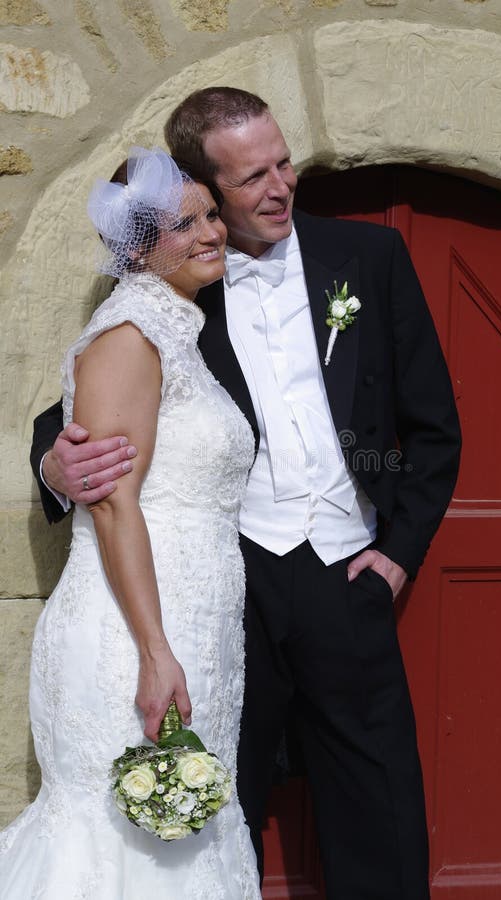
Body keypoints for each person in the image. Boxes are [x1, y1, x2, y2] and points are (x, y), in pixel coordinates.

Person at [30, 88, 462, 900]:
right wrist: (56, 470)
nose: (279, 186)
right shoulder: (182, 277)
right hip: (233, 586)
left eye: (284, 162)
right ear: (205, 192)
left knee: (382, 811)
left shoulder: (370, 260)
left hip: (345, 573)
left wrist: (400, 553)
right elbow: (74, 413)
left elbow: (434, 426)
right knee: (217, 809)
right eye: (252, 176)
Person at [1, 147, 261, 899]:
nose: (212, 231)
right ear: (140, 248)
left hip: (197, 625)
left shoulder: (178, 325)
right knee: (116, 847)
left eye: (213, 214)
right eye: (188, 224)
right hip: (135, 634)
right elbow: (114, 501)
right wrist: (154, 652)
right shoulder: (128, 335)